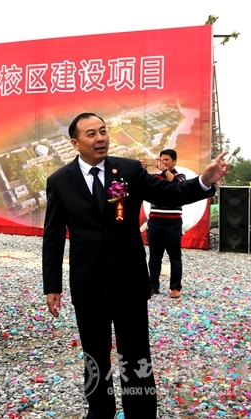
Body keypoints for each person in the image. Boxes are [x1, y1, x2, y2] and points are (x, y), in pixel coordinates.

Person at [42, 113, 229, 418]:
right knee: (95, 356)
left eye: (103, 131)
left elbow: (168, 193)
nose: (100, 138)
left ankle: (140, 414)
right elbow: (52, 237)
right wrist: (52, 286)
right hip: (88, 282)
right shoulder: (60, 181)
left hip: (129, 280)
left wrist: (204, 181)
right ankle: (99, 413)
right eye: (91, 134)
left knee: (135, 355)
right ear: (75, 143)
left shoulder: (128, 170)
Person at [142, 149, 187, 299]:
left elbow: (178, 186)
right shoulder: (155, 177)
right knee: (154, 257)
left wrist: (166, 171)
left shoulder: (180, 176)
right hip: (155, 222)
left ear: (174, 161)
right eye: (161, 160)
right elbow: (143, 184)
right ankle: (153, 286)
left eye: (167, 160)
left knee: (175, 257)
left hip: (173, 223)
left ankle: (175, 287)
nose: (164, 162)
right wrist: (142, 170)